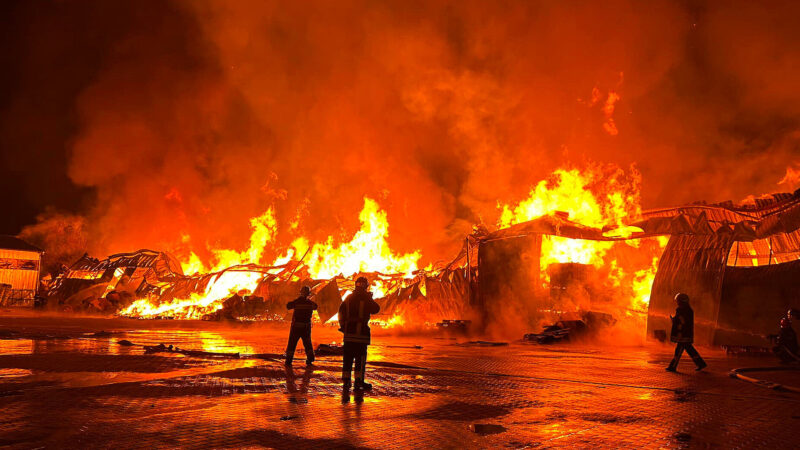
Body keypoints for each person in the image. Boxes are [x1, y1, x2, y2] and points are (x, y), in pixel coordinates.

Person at [339, 276, 381, 394]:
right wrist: (370, 298)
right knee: (360, 359)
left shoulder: (348, 298)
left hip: (348, 334)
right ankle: (358, 381)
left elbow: (341, 313)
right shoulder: (366, 298)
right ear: (366, 286)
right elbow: (376, 309)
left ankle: (346, 380)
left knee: (347, 359)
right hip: (361, 335)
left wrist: (343, 327)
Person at [666, 293, 707, 372]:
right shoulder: (688, 310)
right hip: (686, 334)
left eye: (678, 301)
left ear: (682, 301)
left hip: (683, 335)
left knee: (678, 351)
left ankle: (672, 367)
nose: (677, 302)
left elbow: (682, 321)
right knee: (690, 350)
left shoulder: (682, 310)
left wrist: (675, 321)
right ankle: (701, 364)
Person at [285, 286, 318, 367]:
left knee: (292, 343)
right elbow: (315, 306)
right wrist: (308, 300)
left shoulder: (297, 302)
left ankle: (289, 360)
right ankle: (310, 359)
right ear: (309, 294)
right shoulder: (310, 303)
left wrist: (298, 298)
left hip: (296, 326)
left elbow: (288, 306)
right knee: (307, 343)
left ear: (301, 292)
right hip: (306, 327)